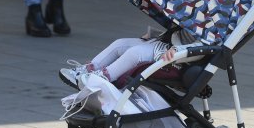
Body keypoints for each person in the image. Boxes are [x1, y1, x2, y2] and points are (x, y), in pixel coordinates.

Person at [59, 27, 198, 88]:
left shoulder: (214, 26)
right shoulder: (196, 9)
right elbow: (178, 31)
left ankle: (100, 79)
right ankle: (87, 70)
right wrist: (155, 34)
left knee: (135, 53)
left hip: (174, 57)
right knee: (120, 44)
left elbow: (202, 48)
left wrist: (178, 51)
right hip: (162, 43)